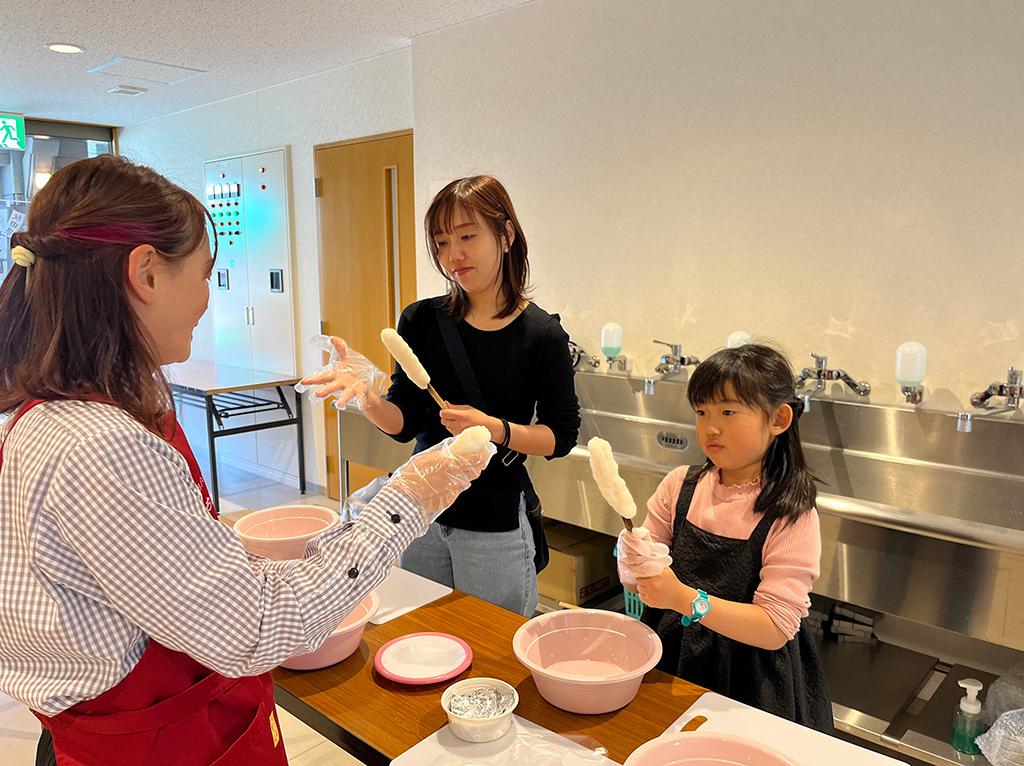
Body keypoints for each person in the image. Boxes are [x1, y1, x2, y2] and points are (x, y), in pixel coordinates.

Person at [0, 154, 493, 766]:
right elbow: (256, 628)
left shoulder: (55, 415)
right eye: (206, 273)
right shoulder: (98, 446)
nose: (209, 297)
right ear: (146, 273)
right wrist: (406, 496)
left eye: (467, 236)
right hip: (158, 744)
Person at [300, 175, 580, 617]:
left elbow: (561, 436)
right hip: (419, 513)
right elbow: (405, 423)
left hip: (495, 525)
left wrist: (494, 429)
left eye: (468, 236)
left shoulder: (541, 335)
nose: (453, 256)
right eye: (442, 242)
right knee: (422, 637)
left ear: (506, 235)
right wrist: (368, 400)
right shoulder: (422, 321)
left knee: (494, 655)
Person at [617, 344, 833, 732]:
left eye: (728, 412)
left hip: (751, 678)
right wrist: (631, 561)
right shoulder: (679, 487)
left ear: (779, 419)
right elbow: (638, 583)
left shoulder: (790, 514)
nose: (710, 427)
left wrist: (683, 598)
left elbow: (774, 627)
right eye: (702, 412)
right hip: (672, 656)